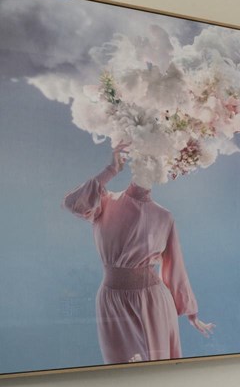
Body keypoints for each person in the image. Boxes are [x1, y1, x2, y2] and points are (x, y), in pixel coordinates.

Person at [63, 141, 214, 364]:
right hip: (113, 300)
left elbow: (175, 266)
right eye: (145, 159)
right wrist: (111, 169)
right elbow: (73, 203)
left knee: (155, 369)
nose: (149, 166)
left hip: (152, 301)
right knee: (122, 369)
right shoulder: (106, 202)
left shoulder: (164, 216)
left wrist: (191, 312)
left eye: (156, 161)